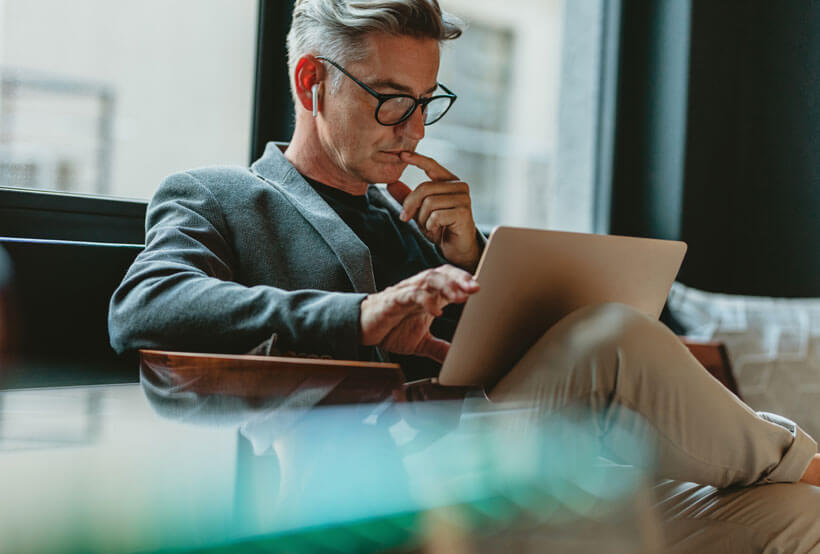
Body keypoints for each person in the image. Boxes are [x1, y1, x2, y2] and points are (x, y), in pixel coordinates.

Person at [109, 1, 820, 551]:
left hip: (531, 480)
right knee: (612, 339)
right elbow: (145, 306)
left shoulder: (421, 228)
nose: (414, 130)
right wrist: (360, 317)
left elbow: (515, 371)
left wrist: (475, 258)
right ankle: (801, 455)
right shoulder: (219, 196)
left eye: (426, 102)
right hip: (384, 493)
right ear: (311, 81)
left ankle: (796, 473)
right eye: (391, 99)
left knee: (797, 517)